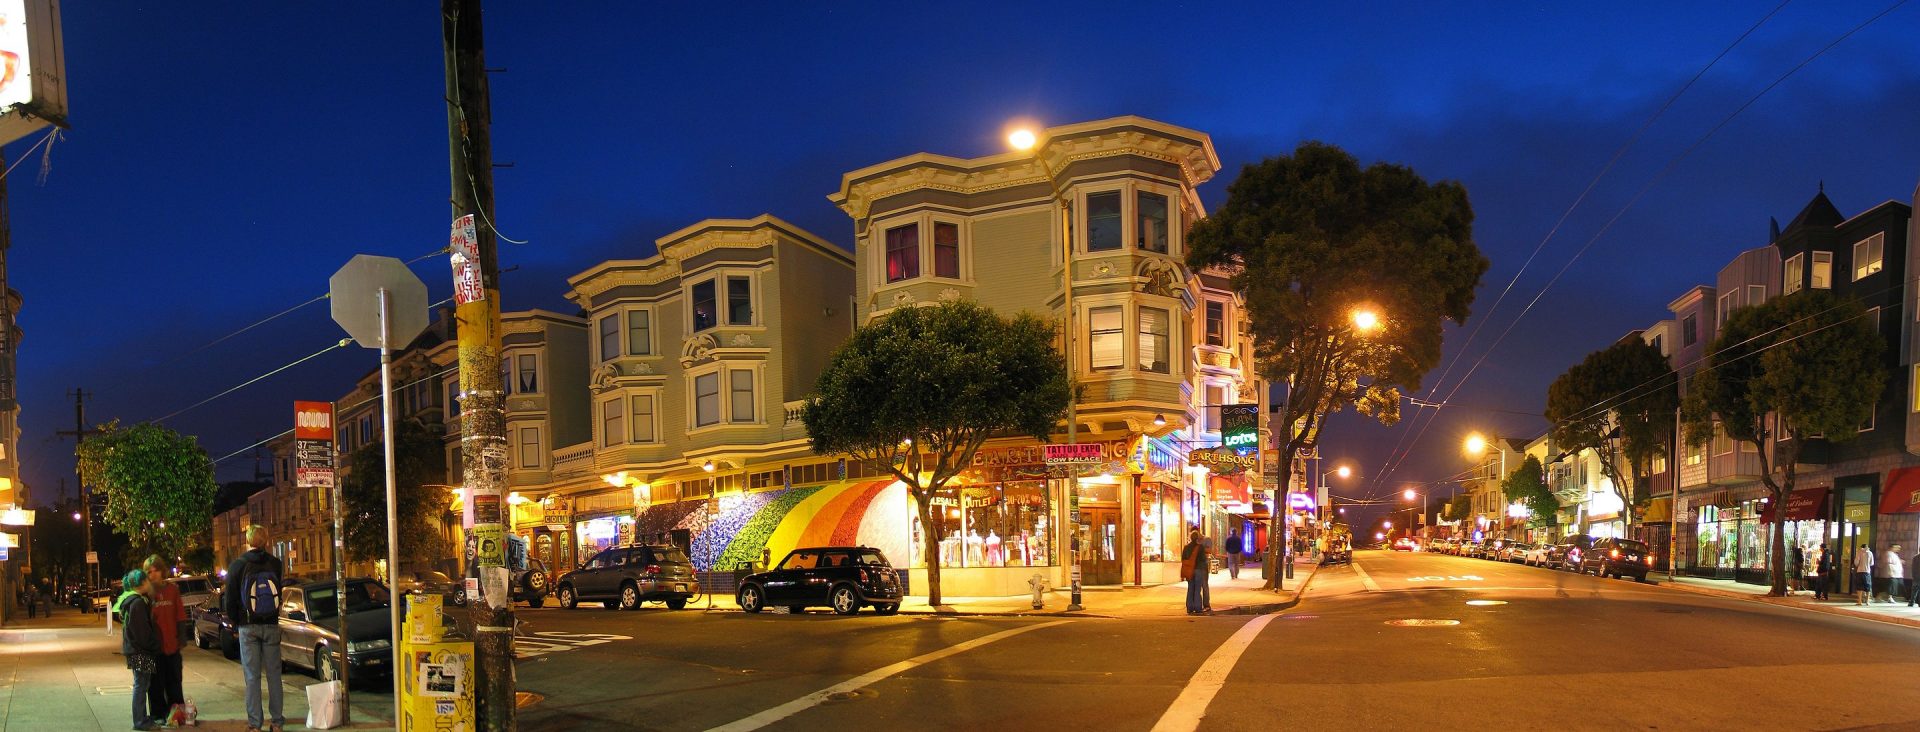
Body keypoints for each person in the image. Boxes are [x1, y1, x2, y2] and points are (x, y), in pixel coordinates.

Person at [224, 525, 286, 732]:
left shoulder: (237, 566)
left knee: (252, 676)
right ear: (266, 540)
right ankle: (277, 722)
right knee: (274, 675)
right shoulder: (276, 564)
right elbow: (279, 592)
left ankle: (255, 724)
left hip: (247, 626)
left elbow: (230, 599)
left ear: (248, 541)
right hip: (270, 624)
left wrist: (235, 622)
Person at [143, 556, 187, 725]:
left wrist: (181, 637)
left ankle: (176, 712)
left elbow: (180, 615)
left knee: (174, 681)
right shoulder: (146, 594)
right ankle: (157, 714)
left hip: (172, 645)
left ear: (162, 571)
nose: (153, 574)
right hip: (154, 648)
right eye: (149, 571)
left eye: (156, 570)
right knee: (155, 685)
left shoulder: (172, 590)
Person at [120, 569, 162, 731]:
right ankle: (140, 721)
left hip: (135, 650)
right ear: (142, 583)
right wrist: (154, 645)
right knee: (141, 685)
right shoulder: (138, 603)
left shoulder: (133, 602)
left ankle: (142, 718)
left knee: (141, 684)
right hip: (141, 651)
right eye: (147, 581)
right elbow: (142, 632)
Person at [1181, 528, 1210, 615]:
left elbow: (1183, 559)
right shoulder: (1200, 547)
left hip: (1189, 571)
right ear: (1197, 538)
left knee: (1190, 588)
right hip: (1198, 570)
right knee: (1197, 589)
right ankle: (1197, 607)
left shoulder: (1186, 547)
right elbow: (1203, 559)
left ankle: (1189, 607)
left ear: (1190, 537)